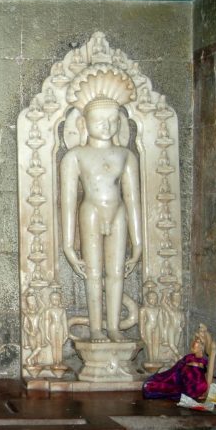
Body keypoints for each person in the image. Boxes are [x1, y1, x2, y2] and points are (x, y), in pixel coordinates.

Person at [60, 93, 142, 343]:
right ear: (84, 124)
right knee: (93, 273)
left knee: (116, 273)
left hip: (118, 212)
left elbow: (133, 200)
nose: (106, 126)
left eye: (112, 121)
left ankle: (114, 327)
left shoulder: (126, 156)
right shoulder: (75, 156)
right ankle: (96, 328)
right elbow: (68, 202)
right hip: (91, 211)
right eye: (99, 121)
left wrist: (138, 244)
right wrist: (67, 246)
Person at [143, 335, 210, 400]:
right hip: (177, 380)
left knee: (157, 387)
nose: (193, 343)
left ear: (201, 347)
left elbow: (196, 381)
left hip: (187, 387)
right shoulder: (189, 357)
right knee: (154, 382)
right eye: (195, 340)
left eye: (197, 341)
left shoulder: (199, 364)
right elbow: (175, 370)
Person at [43, 291, 68, 366]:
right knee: (53, 345)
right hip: (53, 327)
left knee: (60, 345)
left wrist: (66, 333)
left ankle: (59, 361)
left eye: (57, 299)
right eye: (54, 299)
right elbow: (46, 322)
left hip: (60, 327)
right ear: (50, 300)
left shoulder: (62, 310)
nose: (56, 301)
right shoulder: (48, 310)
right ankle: (55, 361)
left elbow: (64, 321)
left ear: (60, 300)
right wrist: (46, 334)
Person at [140, 290, 161, 364]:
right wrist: (142, 334)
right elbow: (142, 323)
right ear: (147, 299)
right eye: (151, 298)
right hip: (148, 326)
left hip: (156, 326)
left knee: (156, 342)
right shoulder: (144, 309)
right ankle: (151, 358)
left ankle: (155, 358)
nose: (153, 300)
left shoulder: (158, 309)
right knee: (149, 343)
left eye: (155, 298)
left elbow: (160, 321)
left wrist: (162, 333)